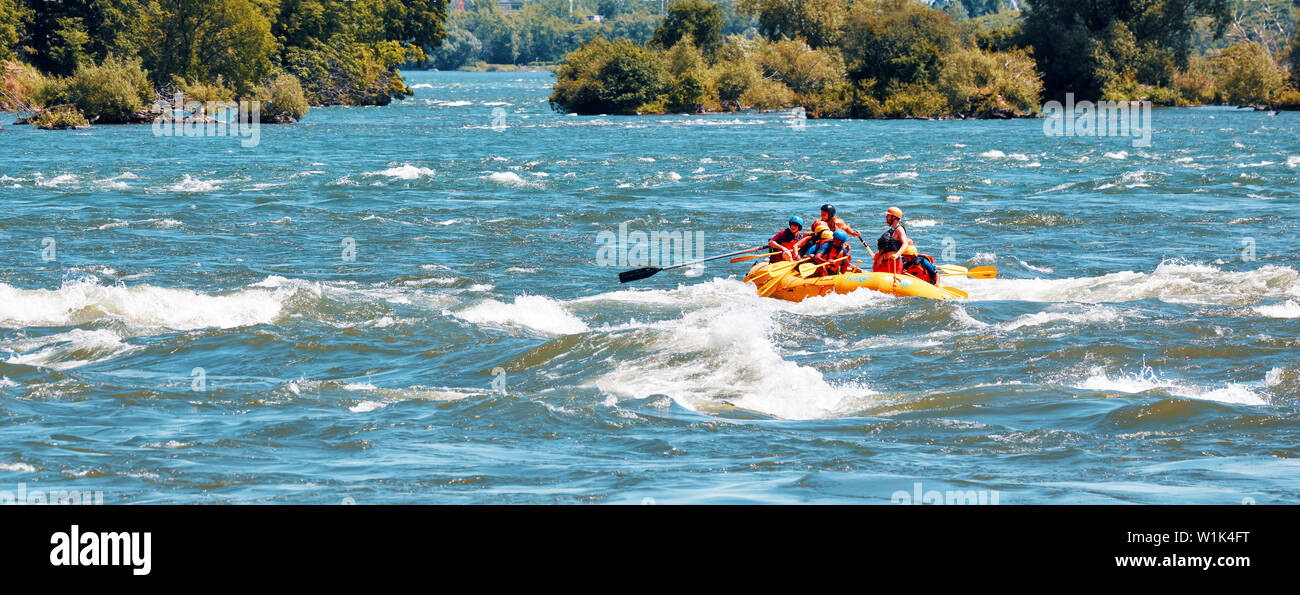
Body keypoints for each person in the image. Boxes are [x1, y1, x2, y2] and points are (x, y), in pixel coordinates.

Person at [874, 206, 938, 283]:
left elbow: (905, 244)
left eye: (888, 215)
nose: (886, 217)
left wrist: (897, 254)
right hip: (885, 263)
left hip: (895, 263)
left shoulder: (899, 230)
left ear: (894, 217)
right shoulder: (890, 231)